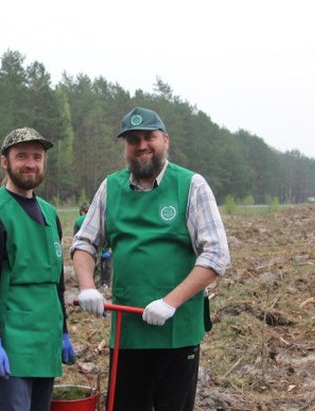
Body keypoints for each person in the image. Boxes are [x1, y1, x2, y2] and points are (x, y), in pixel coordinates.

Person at [71, 107, 231, 411]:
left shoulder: (191, 185)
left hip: (178, 333)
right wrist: (87, 286)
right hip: (128, 334)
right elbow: (84, 242)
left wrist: (170, 302)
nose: (141, 145)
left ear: (165, 140)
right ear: (125, 147)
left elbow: (216, 255)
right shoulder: (110, 188)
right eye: (133, 139)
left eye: (149, 137)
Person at [0, 127, 75, 411]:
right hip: (13, 339)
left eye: (37, 157)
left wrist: (63, 331)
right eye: (22, 156)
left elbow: (58, 281)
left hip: (47, 336)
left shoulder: (51, 213)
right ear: (5, 161)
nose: (30, 163)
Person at [73, 204, 112, 287]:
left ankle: (91, 285)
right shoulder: (102, 219)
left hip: (87, 250)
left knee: (90, 269)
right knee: (106, 267)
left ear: (82, 211)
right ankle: (105, 284)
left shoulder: (78, 221)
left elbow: (76, 239)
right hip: (104, 248)